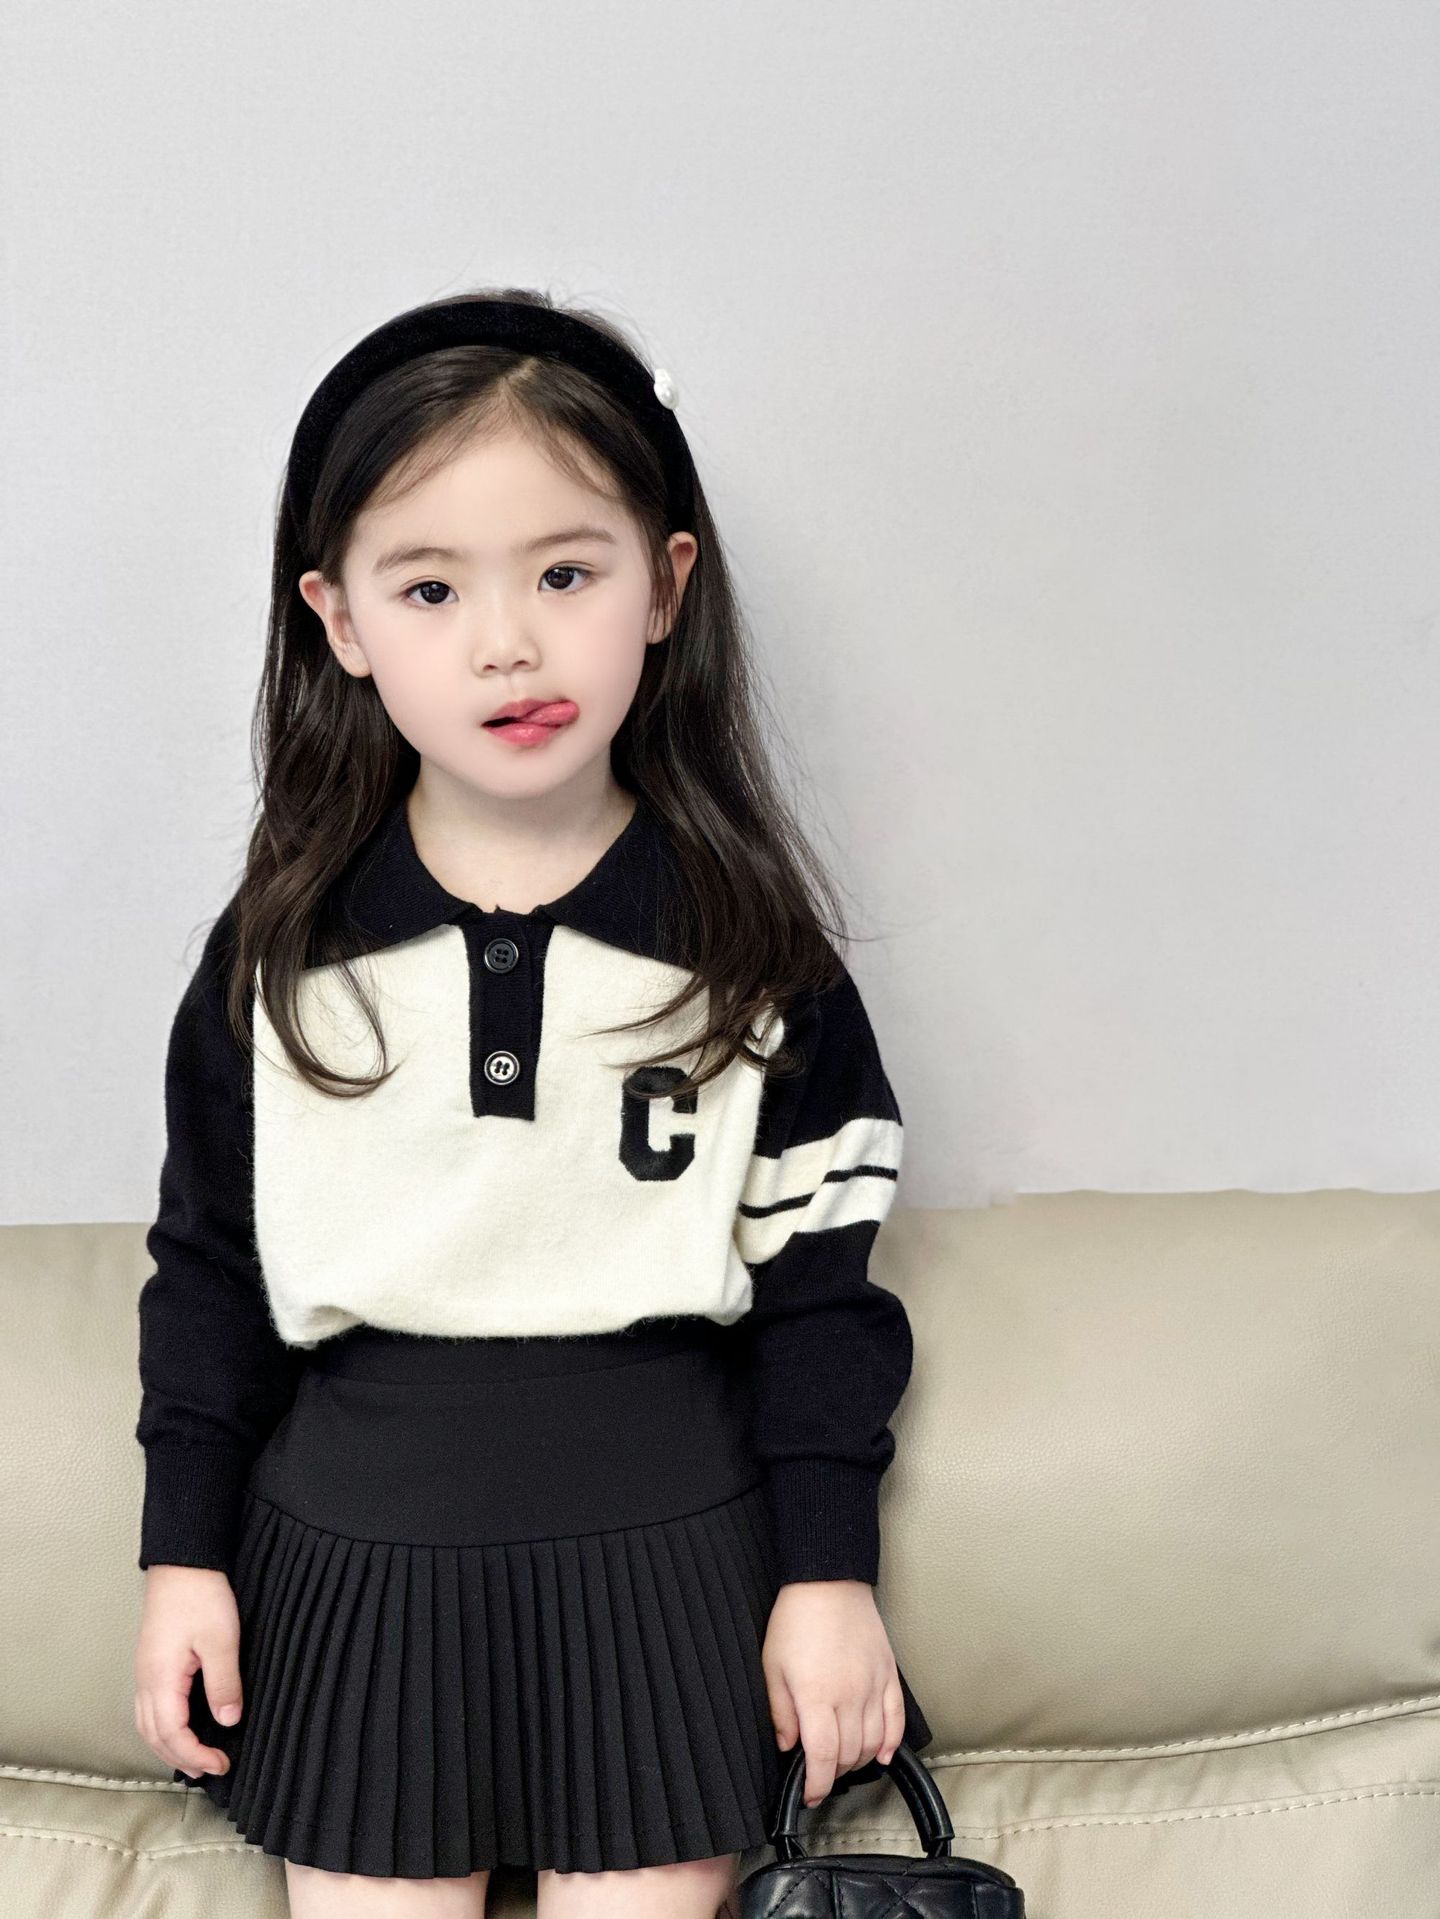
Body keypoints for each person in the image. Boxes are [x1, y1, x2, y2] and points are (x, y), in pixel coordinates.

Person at [131, 286, 933, 1919]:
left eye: (566, 574)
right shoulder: (279, 954)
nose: (507, 643)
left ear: (667, 586)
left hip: (670, 1555)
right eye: (430, 588)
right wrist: (181, 1560)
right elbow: (207, 1276)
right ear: (340, 619)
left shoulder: (754, 952)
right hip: (353, 1567)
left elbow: (822, 1301)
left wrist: (829, 1577)